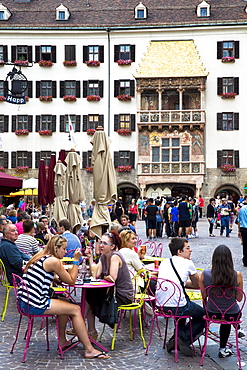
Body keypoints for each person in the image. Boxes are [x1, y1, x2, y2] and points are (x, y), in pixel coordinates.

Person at [18, 235, 109, 359]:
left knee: (66, 301)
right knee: (75, 310)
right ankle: (89, 350)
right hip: (35, 303)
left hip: (25, 300)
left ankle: (62, 341)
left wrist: (56, 277)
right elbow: (71, 281)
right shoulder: (53, 261)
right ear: (56, 248)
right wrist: (76, 261)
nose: (66, 252)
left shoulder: (41, 256)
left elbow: (50, 276)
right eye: (64, 249)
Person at [156, 237, 205, 357]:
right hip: (178, 305)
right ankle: (183, 340)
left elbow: (178, 282)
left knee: (182, 307)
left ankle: (175, 339)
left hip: (160, 305)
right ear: (179, 251)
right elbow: (197, 284)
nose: (191, 250)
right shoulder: (188, 263)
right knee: (204, 316)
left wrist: (182, 283)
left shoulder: (165, 262)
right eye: (187, 248)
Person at [84, 232, 134, 339]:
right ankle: (90, 330)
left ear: (113, 246)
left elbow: (112, 278)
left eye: (104, 243)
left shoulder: (115, 256)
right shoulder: (103, 257)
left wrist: (104, 277)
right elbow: (96, 275)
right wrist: (90, 258)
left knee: (90, 297)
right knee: (89, 295)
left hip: (123, 294)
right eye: (100, 242)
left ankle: (82, 324)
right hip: (111, 291)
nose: (101, 245)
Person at [199, 245, 244, 358]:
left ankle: (223, 346)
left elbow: (204, 295)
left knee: (222, 315)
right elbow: (239, 298)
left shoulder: (204, 274)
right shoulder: (237, 275)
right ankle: (223, 348)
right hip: (232, 314)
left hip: (212, 313)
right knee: (229, 317)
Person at [238, 195, 247, 267]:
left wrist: (239, 231)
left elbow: (239, 221)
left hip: (244, 229)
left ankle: (245, 260)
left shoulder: (242, 209)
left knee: (245, 245)